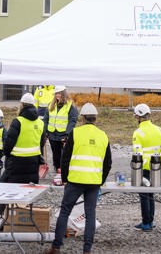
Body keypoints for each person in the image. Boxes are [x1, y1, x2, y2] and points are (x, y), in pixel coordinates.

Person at [46, 102, 111, 254]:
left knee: (65, 212)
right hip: (93, 182)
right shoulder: (103, 136)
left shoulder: (75, 133)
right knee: (90, 216)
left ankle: (56, 247)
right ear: (95, 118)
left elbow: (65, 158)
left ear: (82, 118)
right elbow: (108, 163)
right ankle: (87, 250)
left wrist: (64, 177)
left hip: (74, 181)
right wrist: (100, 180)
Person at [0, 93, 44, 229]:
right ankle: (20, 222)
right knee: (24, 196)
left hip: (15, 166)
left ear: (22, 105)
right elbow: (41, 143)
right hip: (32, 166)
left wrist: (7, 154)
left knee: (2, 190)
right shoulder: (41, 123)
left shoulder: (18, 121)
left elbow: (8, 145)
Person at [130, 103, 161, 231]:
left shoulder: (138, 132)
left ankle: (146, 223)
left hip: (144, 169)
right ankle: (150, 221)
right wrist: (160, 162)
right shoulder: (160, 130)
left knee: (144, 195)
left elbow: (137, 152)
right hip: (156, 167)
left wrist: (138, 168)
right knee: (151, 194)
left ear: (138, 117)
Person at [42, 86, 78, 176]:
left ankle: (64, 170)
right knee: (55, 153)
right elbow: (46, 119)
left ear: (63, 94)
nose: (57, 95)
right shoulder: (51, 105)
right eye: (56, 93)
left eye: (59, 93)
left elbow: (72, 120)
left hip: (63, 134)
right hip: (52, 134)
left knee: (64, 154)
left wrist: (67, 133)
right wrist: (45, 132)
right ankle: (57, 168)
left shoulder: (70, 105)